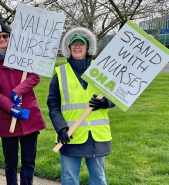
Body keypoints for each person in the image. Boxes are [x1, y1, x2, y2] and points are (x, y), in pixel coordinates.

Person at [47, 27, 115, 185]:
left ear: (87, 48)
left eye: (81, 44)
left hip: (97, 137)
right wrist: (61, 128)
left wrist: (106, 102)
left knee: (98, 178)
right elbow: (53, 104)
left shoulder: (101, 70)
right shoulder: (60, 73)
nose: (77, 47)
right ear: (69, 48)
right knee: (69, 179)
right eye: (74, 44)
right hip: (70, 135)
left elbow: (115, 95)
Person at [0, 20, 46, 185]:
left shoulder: (23, 54)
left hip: (28, 114)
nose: (2, 39)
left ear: (10, 36)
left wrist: (17, 91)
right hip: (7, 117)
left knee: (28, 160)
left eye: (5, 35)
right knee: (10, 162)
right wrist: (10, 106)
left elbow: (35, 77)